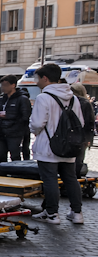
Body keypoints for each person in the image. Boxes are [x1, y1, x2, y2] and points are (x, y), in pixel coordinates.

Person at [29, 63, 84, 225]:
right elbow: (79, 121)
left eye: (37, 79)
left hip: (48, 146)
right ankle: (77, 212)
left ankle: (52, 213)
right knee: (70, 179)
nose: (36, 82)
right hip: (69, 146)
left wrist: (33, 129)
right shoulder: (73, 98)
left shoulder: (43, 97)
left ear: (45, 78)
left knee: (50, 180)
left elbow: (37, 123)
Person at [0, 75, 31, 164]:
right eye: (2, 85)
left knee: (15, 156)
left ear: (13, 85)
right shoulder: (1, 100)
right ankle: (1, 174)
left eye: (5, 85)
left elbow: (25, 116)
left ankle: (16, 174)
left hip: (14, 133)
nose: (3, 87)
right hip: (1, 132)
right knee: (0, 155)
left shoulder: (22, 99)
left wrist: (8, 116)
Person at [71, 83, 95, 179]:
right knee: (78, 159)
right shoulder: (85, 102)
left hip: (73, 134)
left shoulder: (72, 101)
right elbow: (90, 122)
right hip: (81, 136)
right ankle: (76, 178)